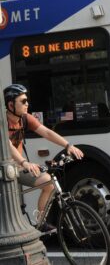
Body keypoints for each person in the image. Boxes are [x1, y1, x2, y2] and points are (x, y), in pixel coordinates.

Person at [4, 84, 84, 233]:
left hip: (18, 167)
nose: (27, 104)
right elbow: (8, 146)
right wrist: (24, 162)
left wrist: (68, 145)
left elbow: (46, 132)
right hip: (4, 169)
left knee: (49, 183)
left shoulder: (25, 119)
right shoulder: (2, 122)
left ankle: (40, 224)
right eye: (23, 101)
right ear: (10, 104)